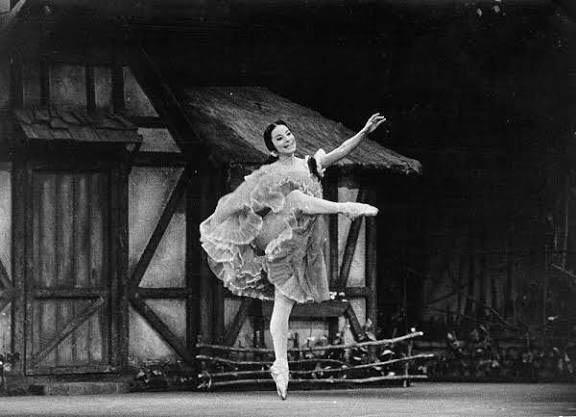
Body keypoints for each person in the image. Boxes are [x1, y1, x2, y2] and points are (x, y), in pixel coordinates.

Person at [199, 113, 387, 399]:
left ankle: (281, 367)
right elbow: (245, 200)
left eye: (288, 134)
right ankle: (347, 208)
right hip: (276, 232)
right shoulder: (271, 172)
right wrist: (228, 220)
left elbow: (341, 150)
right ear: (273, 149)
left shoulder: (310, 164)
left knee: (283, 303)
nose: (287, 139)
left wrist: (364, 131)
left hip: (299, 242)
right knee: (297, 199)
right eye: (279, 138)